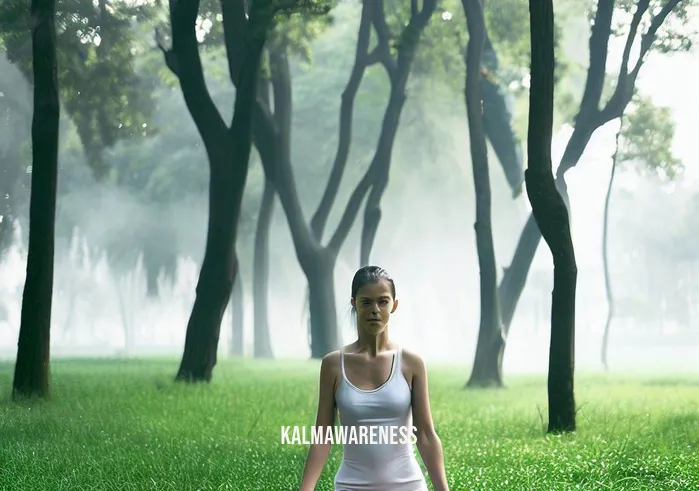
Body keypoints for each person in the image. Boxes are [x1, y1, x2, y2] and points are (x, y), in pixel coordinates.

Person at [299, 266, 449, 491]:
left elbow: (426, 435)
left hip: (407, 485)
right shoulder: (333, 365)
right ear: (354, 303)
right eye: (366, 302)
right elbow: (322, 437)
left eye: (383, 301)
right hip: (351, 485)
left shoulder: (411, 363)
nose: (374, 310)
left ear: (394, 305)